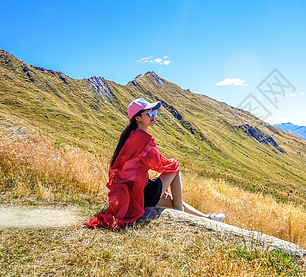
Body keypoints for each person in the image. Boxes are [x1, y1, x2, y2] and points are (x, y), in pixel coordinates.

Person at [84, 98, 225, 229]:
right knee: (175, 167)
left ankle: (208, 218)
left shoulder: (130, 136)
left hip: (136, 196)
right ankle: (181, 214)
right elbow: (161, 164)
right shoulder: (142, 138)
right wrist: (171, 162)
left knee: (172, 199)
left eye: (154, 112)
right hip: (144, 193)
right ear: (137, 118)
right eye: (149, 113)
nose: (153, 116)